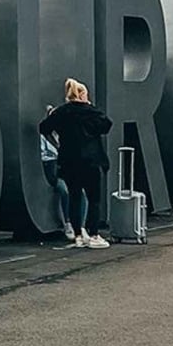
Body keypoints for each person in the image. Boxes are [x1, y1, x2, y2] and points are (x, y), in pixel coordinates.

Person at [39, 79, 114, 249]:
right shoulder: (91, 112)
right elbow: (106, 125)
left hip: (70, 161)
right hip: (91, 160)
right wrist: (90, 106)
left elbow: (44, 128)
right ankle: (94, 234)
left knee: (75, 197)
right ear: (82, 94)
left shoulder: (62, 112)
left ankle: (78, 235)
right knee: (94, 198)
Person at [40, 106, 76, 241]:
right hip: (53, 169)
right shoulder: (44, 136)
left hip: (66, 168)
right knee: (64, 190)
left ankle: (81, 226)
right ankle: (68, 223)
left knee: (81, 191)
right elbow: (45, 155)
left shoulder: (65, 135)